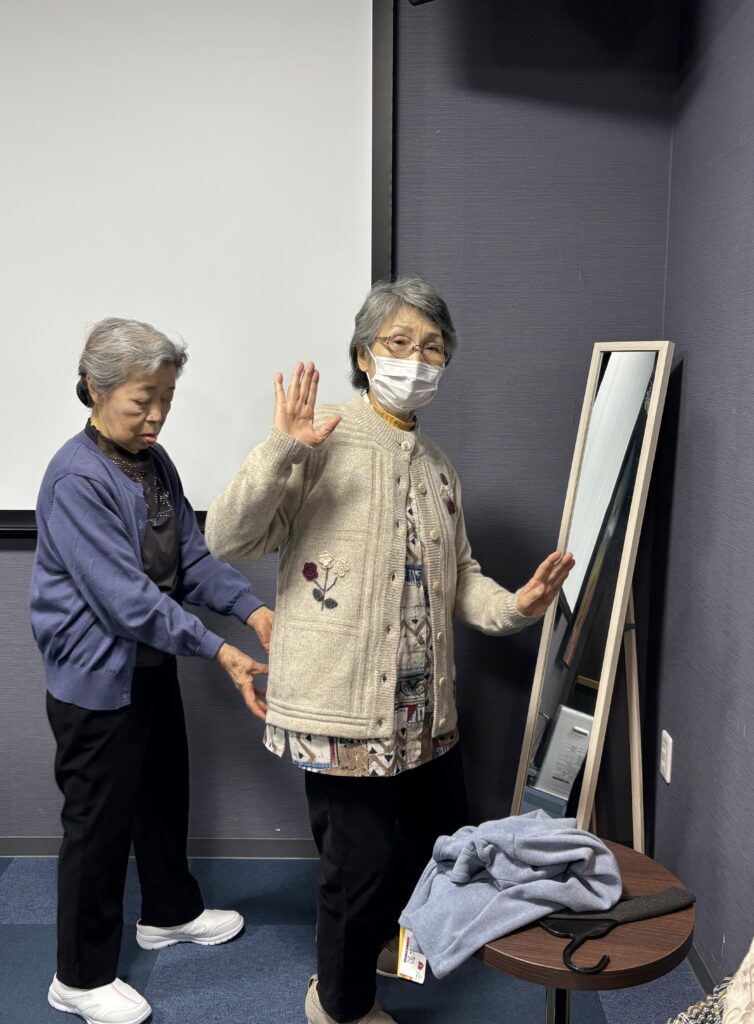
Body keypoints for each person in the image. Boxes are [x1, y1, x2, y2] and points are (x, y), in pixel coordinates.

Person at [205, 278, 574, 1024]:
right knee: (358, 865)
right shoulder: (319, 438)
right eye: (399, 343)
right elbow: (228, 538)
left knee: (429, 846)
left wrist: (518, 607)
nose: (417, 359)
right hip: (342, 706)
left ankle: (381, 947)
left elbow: (460, 577)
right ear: (364, 356)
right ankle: (339, 1005)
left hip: (423, 710)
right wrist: (282, 447)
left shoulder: (437, 465)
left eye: (432, 348)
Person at [31, 318, 273, 1024]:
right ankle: (78, 977)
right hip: (95, 676)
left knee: (163, 793)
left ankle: (168, 912)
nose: (158, 415)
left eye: (167, 398)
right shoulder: (76, 478)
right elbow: (127, 600)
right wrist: (220, 649)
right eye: (144, 400)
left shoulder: (154, 463)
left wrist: (252, 610)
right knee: (98, 827)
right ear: (96, 389)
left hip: (148, 663)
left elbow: (189, 559)